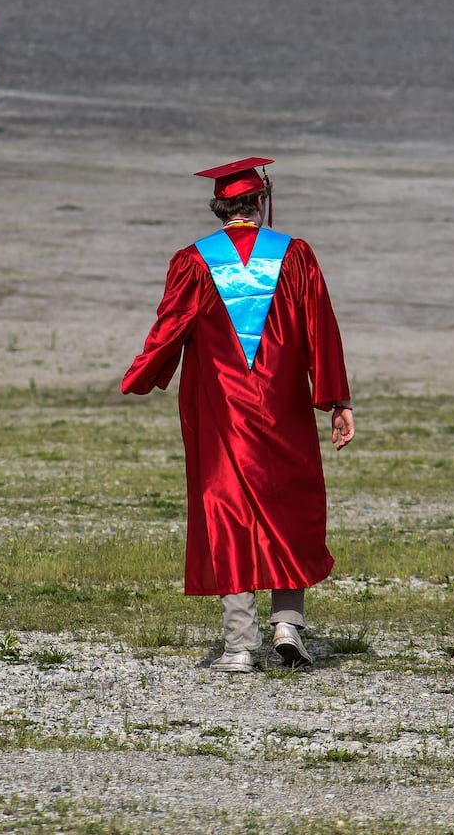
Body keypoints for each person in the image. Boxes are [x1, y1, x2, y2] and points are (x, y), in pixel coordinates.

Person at [122, 157, 355, 674]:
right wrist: (338, 399)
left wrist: (140, 374)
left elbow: (168, 330)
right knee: (286, 505)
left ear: (219, 206)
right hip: (283, 406)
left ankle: (240, 646)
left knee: (226, 513)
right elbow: (323, 328)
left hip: (222, 409)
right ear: (260, 201)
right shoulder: (295, 255)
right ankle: (288, 624)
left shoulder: (193, 261)